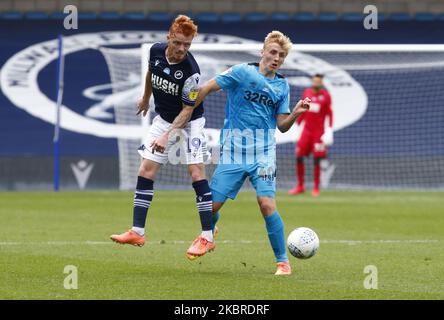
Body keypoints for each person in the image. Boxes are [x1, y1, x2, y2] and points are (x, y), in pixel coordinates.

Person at [193, 31, 311, 275]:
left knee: (266, 204)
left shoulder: (282, 85)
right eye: (273, 52)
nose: (276, 58)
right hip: (233, 150)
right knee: (210, 208)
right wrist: (186, 114)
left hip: (264, 153)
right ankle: (210, 231)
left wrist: (296, 113)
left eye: (281, 55)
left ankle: (282, 262)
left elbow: (282, 125)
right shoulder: (241, 72)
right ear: (263, 52)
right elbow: (207, 88)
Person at [110, 15, 215, 260]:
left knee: (196, 171)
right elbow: (150, 73)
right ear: (169, 36)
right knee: (146, 169)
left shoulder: (191, 71)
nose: (181, 49)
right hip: (164, 118)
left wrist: (168, 136)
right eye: (178, 43)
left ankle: (207, 237)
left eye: (187, 45)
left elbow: (188, 110)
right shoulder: (156, 51)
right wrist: (146, 97)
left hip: (191, 122)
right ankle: (137, 231)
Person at [288, 74, 333, 197]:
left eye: (318, 81)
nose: (316, 83)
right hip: (306, 131)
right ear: (312, 82)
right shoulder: (307, 92)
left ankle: (316, 187)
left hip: (318, 133)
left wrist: (329, 129)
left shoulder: (326, 96)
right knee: (299, 156)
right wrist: (297, 126)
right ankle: (300, 185)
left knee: (317, 159)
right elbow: (303, 111)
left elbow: (329, 113)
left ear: (321, 82)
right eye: (315, 81)